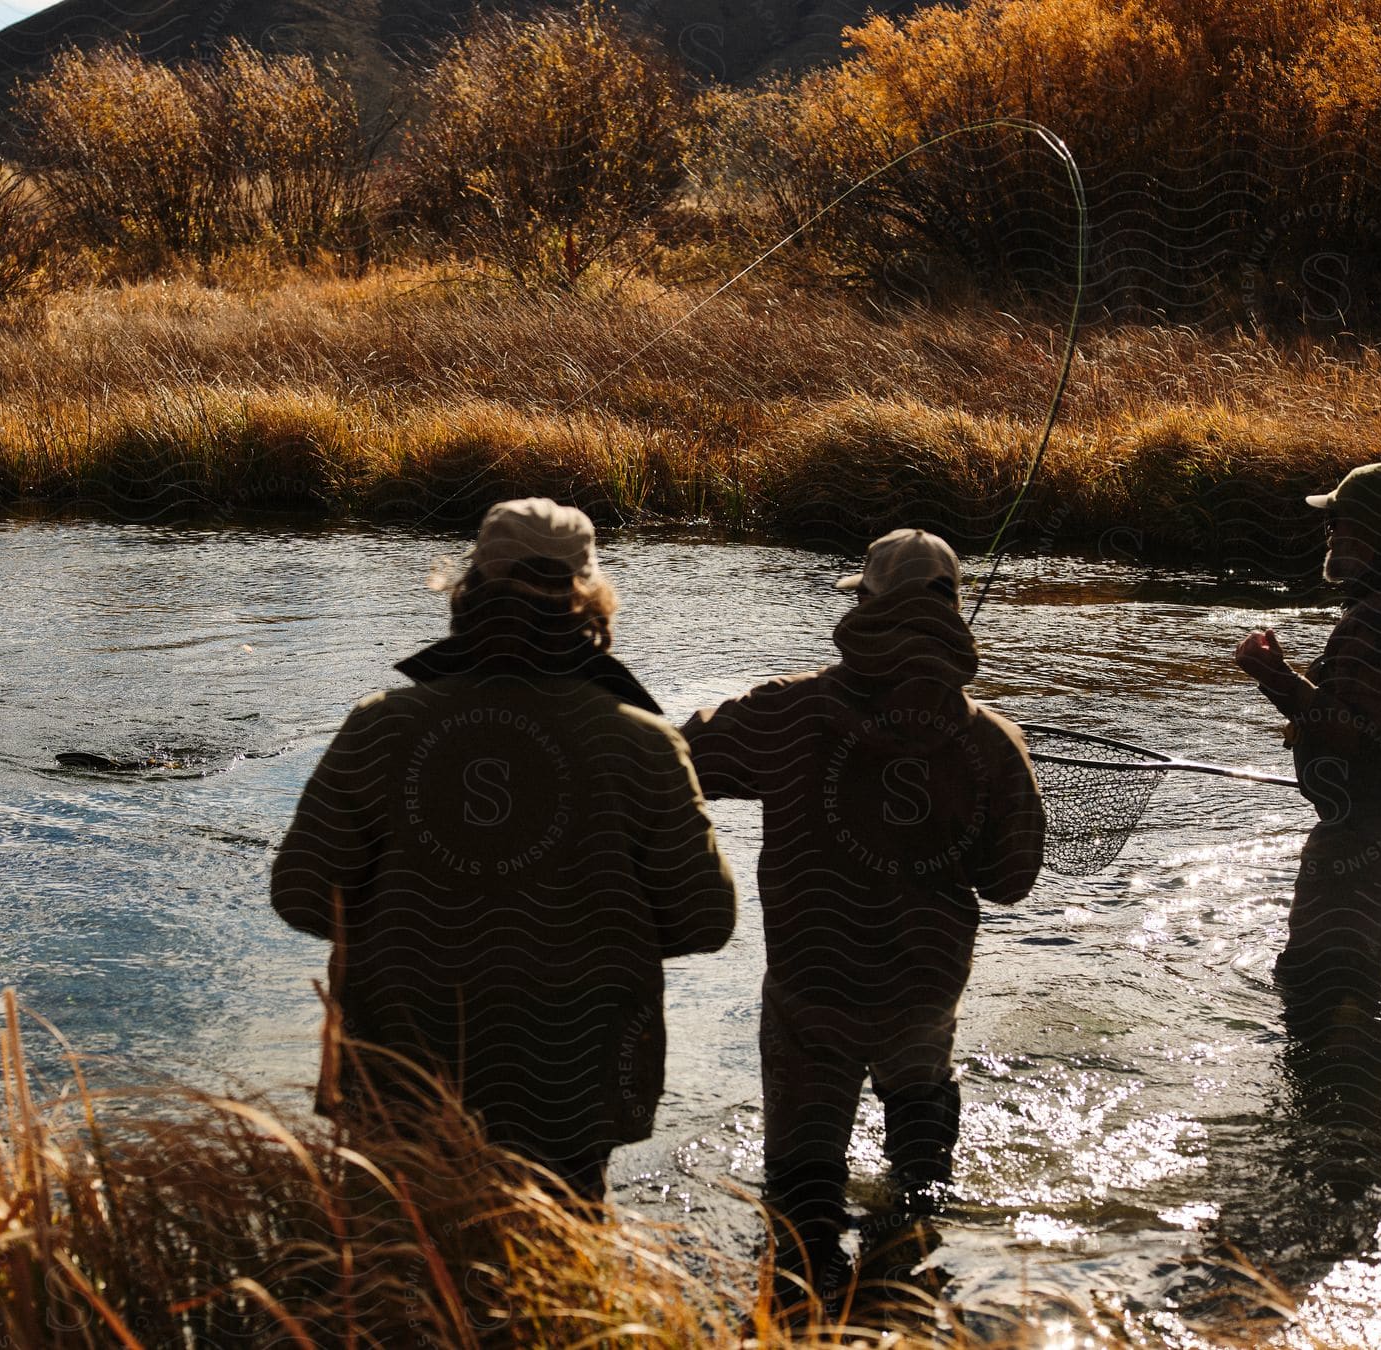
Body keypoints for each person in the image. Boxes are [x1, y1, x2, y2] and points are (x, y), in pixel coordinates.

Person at [271, 498, 737, 1202]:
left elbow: (302, 893)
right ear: (590, 602)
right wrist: (593, 929)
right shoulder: (644, 744)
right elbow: (706, 919)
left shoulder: (381, 726)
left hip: (398, 1080)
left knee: (394, 1286)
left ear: (469, 591)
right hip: (573, 1088)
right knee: (558, 1297)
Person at [679, 528, 1045, 1295]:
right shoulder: (991, 742)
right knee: (918, 1175)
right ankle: (908, 1294)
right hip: (923, 985)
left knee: (800, 1204)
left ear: (868, 606)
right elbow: (1011, 881)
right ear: (950, 613)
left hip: (813, 979)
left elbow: (683, 765)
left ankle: (803, 1304)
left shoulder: (786, 712)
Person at [1235, 462, 1381, 989]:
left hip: (1364, 841)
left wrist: (1274, 676)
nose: (1330, 533)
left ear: (1369, 533)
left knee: (1312, 983)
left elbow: (1350, 733)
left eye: (1338, 522)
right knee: (1359, 982)